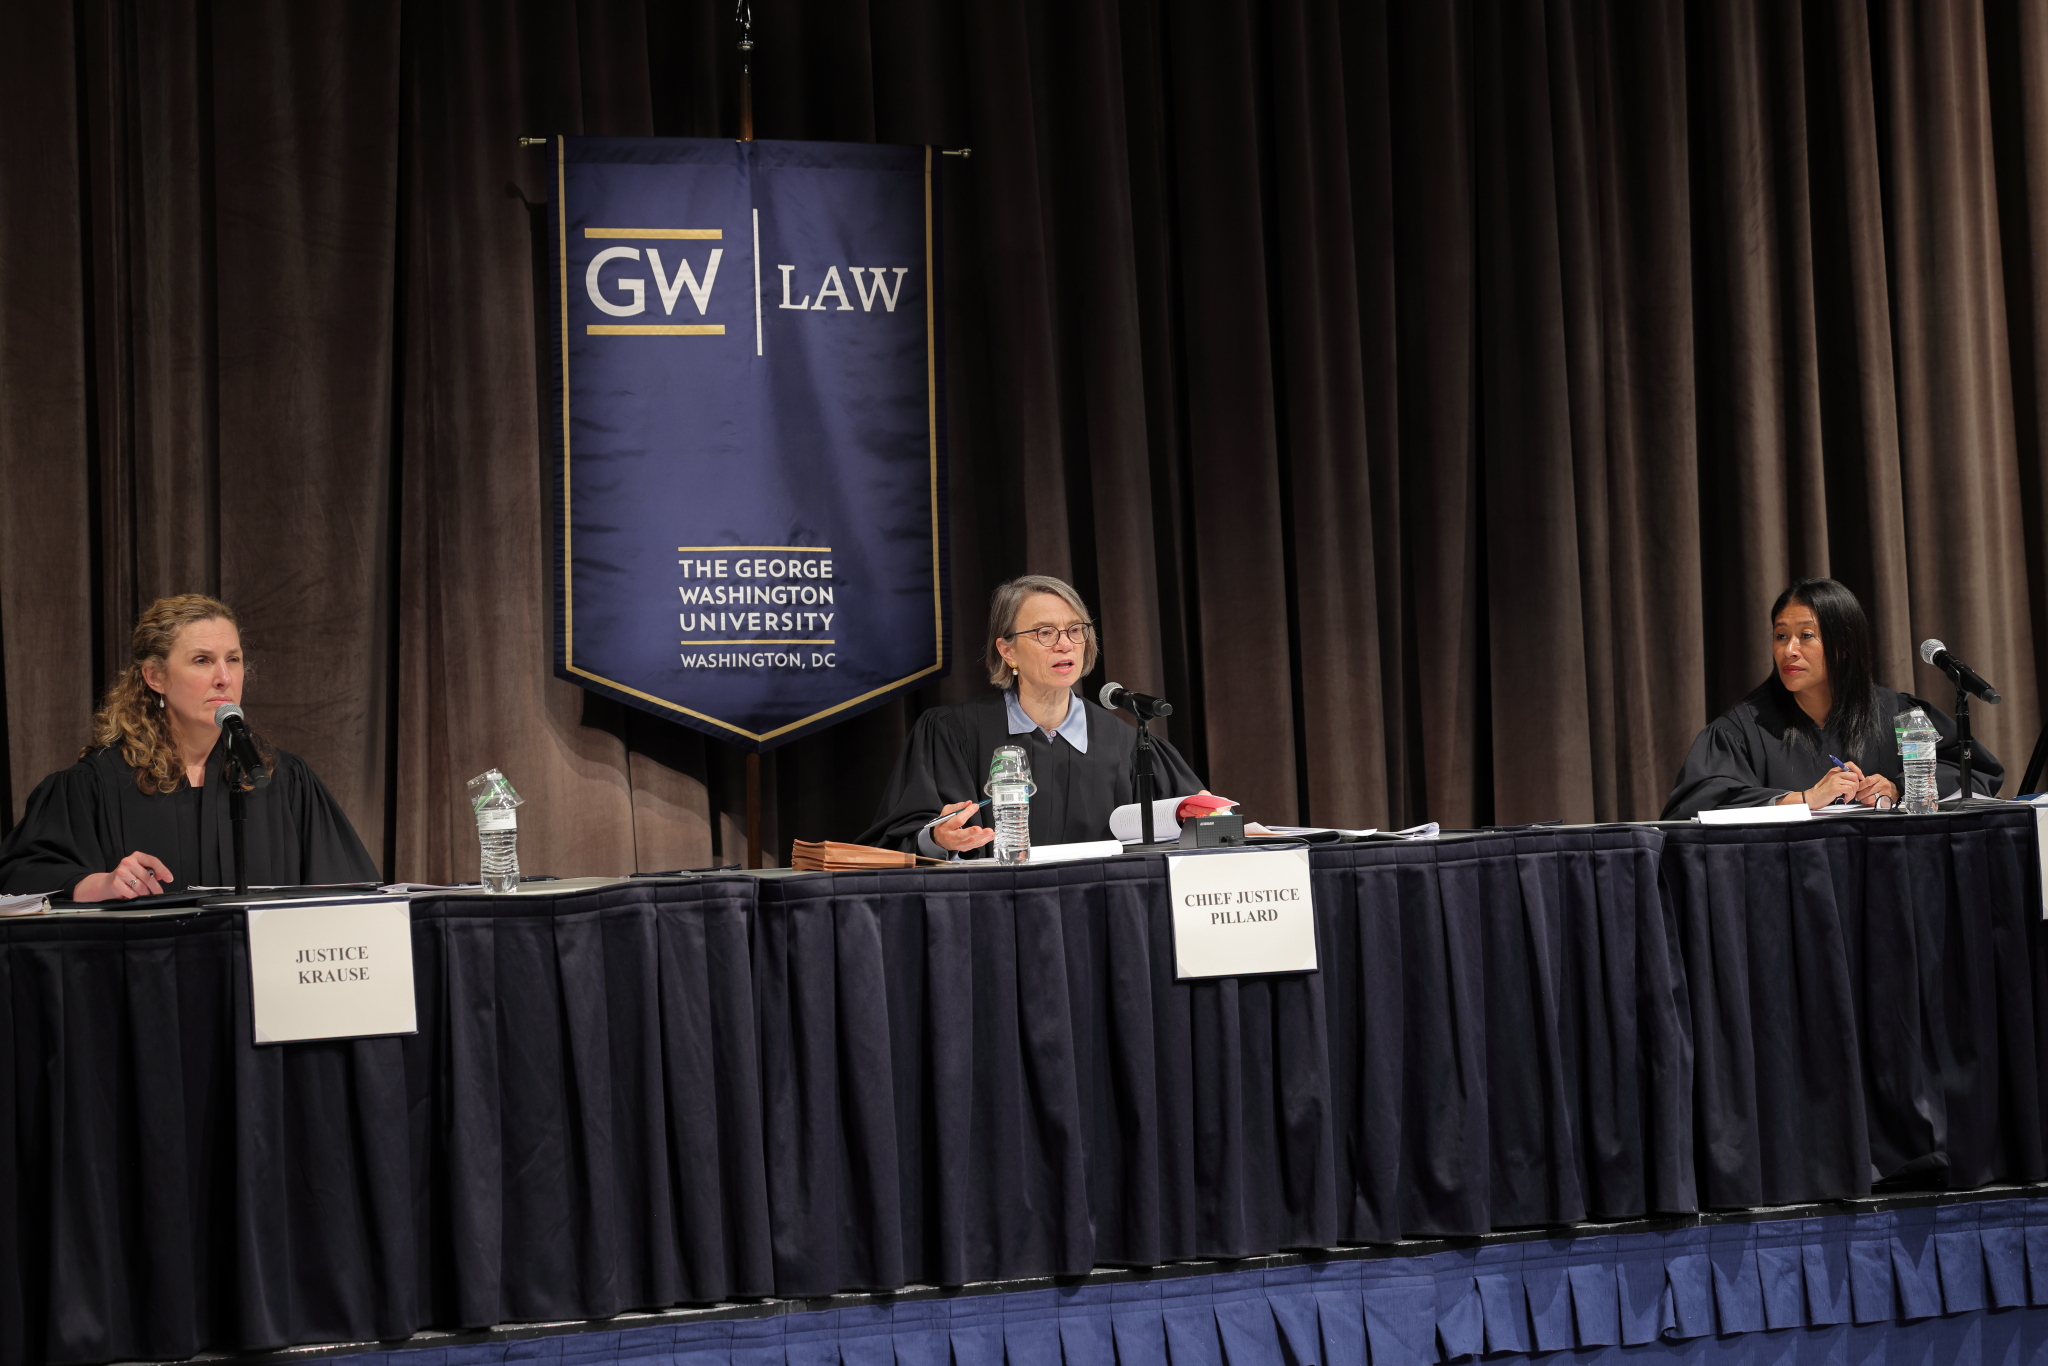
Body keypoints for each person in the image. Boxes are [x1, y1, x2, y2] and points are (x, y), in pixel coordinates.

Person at [0, 594, 379, 899]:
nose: (224, 678)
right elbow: (21, 877)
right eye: (202, 660)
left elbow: (351, 894)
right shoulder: (95, 785)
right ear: (155, 676)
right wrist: (98, 884)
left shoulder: (282, 780)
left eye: (233, 659)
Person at [861, 574, 1205, 855]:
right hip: (988, 914)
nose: (1065, 644)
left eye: (1075, 630)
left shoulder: (1127, 744)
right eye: (1045, 632)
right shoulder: (954, 733)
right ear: (1007, 650)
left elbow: (1201, 821)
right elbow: (896, 841)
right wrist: (937, 839)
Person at [1662, 578, 2001, 819]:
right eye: (1781, 635)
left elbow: (1972, 771)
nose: (1788, 650)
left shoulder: (1897, 713)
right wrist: (1806, 799)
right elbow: (1697, 804)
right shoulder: (1742, 730)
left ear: (1843, 647)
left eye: (1806, 636)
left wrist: (1899, 788)